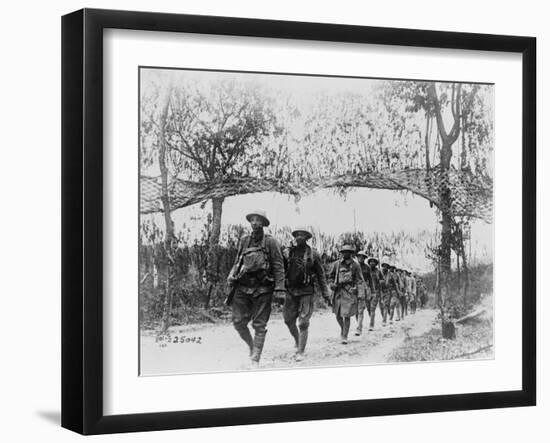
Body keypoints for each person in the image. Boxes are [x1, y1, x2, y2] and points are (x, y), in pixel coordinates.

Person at [227, 210, 286, 367]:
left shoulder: (271, 242)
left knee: (259, 324)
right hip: (243, 285)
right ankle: (252, 346)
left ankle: (255, 358)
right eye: (252, 220)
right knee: (238, 322)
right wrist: (232, 275)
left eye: (258, 220)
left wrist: (280, 289)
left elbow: (278, 266)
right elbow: (238, 260)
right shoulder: (244, 240)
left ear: (263, 224)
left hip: (263, 288)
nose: (254, 223)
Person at [282, 227, 330, 361]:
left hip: (306, 291)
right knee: (288, 320)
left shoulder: (313, 254)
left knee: (303, 322)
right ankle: (297, 340)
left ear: (307, 238)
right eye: (297, 235)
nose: (299, 237)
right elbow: (280, 269)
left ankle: (300, 351)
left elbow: (321, 275)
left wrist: (325, 293)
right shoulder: (288, 252)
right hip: (291, 290)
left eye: (302, 235)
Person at [327, 245, 365, 344]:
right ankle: (343, 328)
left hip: (349, 293)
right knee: (338, 315)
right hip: (338, 292)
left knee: (346, 315)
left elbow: (360, 280)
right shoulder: (337, 264)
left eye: (348, 252)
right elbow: (330, 276)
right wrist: (331, 284)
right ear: (342, 253)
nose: (346, 253)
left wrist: (360, 293)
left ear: (351, 253)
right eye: (344, 252)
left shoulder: (355, 265)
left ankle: (344, 336)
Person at [355, 251, 373, 336]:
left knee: (360, 309)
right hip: (354, 288)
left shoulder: (367, 268)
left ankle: (359, 328)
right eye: (359, 257)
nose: (360, 258)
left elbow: (370, 280)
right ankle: (359, 324)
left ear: (364, 258)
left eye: (362, 257)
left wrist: (372, 291)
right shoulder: (354, 266)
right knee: (355, 310)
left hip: (363, 288)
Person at [367, 257, 384, 330]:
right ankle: (372, 319)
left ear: (376, 264)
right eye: (371, 262)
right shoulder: (367, 270)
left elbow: (382, 280)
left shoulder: (378, 271)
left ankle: (371, 324)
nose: (372, 263)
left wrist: (380, 281)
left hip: (376, 291)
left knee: (372, 308)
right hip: (367, 291)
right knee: (368, 308)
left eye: (373, 262)